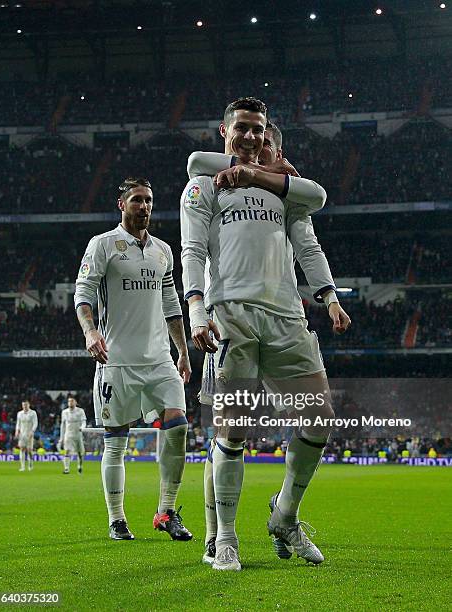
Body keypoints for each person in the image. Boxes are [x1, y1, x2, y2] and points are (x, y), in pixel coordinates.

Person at [180, 97, 350, 571]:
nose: (252, 136)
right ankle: (226, 539)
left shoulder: (285, 190)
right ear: (224, 130)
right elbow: (192, 250)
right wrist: (196, 308)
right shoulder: (203, 183)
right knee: (233, 431)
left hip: (287, 318)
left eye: (259, 129)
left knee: (320, 421)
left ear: (268, 134)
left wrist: (329, 296)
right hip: (231, 314)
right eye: (243, 128)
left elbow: (309, 244)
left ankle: (285, 516)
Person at [75, 177, 192, 542]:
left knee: (179, 428)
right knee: (116, 442)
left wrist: (183, 351)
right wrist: (90, 332)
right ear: (121, 204)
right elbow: (83, 294)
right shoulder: (103, 246)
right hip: (118, 360)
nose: (144, 207)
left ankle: (166, 512)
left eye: (149, 200)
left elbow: (171, 304)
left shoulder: (162, 251)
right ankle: (117, 518)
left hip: (159, 359)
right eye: (137, 200)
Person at [59, 397, 87, 474]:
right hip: (68, 434)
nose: (70, 402)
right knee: (67, 451)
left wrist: (82, 427)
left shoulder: (80, 411)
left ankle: (79, 466)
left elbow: (84, 421)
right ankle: (66, 468)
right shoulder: (64, 412)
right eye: (69, 401)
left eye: (72, 401)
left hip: (78, 434)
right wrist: (61, 437)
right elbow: (63, 425)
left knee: (80, 453)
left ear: (75, 402)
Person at [15, 400, 38, 472]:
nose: (24, 406)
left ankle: (30, 464)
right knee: (22, 449)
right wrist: (17, 431)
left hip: (29, 433)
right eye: (23, 405)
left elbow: (35, 423)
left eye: (26, 405)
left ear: (29, 405)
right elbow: (18, 423)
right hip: (22, 434)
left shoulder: (33, 413)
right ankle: (22, 467)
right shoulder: (19, 413)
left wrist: (32, 431)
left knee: (29, 451)